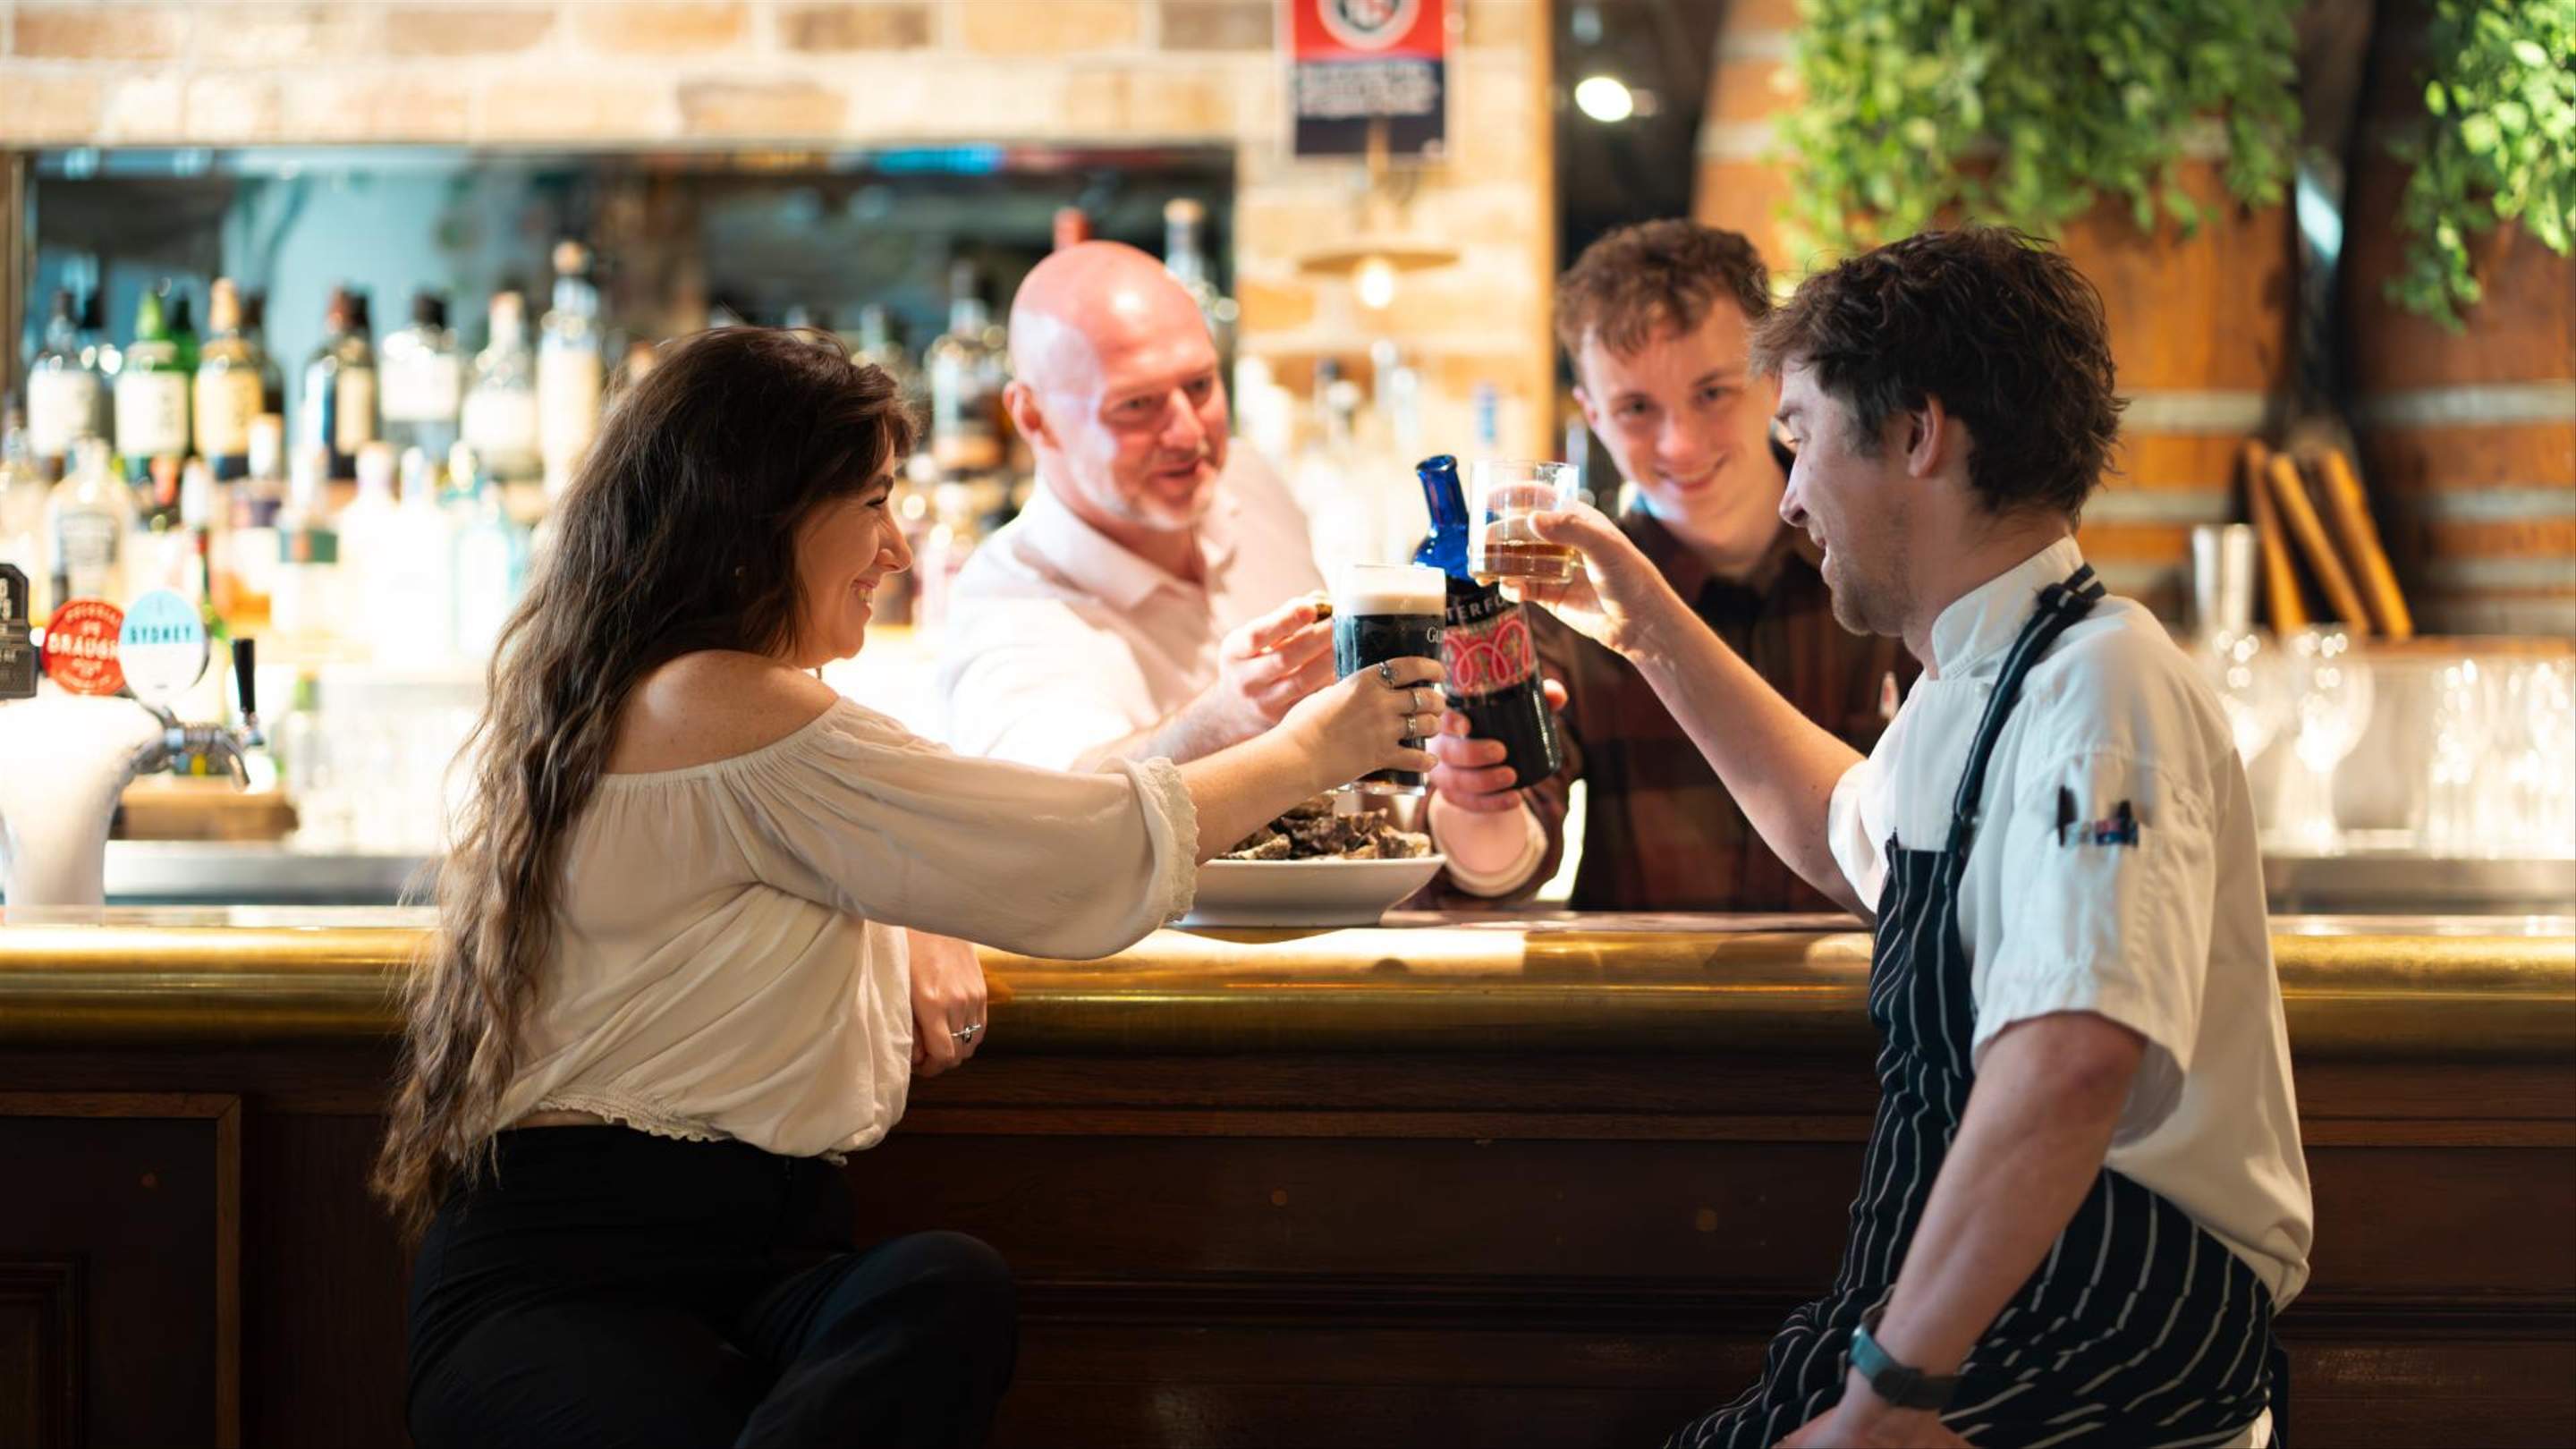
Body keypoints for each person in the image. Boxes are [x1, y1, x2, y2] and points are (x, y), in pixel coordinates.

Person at [376, 327, 1441, 1448]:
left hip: (761, 1263)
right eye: (875, 500)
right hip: (576, 1282)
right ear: (766, 512)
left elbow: (905, 851)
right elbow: (1066, 851)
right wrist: (1316, 749)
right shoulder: (714, 699)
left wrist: (914, 904)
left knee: (943, 1285)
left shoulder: (678, 699)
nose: (897, 545)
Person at [1516, 229, 2311, 1446]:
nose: (1787, 494)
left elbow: (2071, 1063)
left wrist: (1889, 1395)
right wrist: (1645, 623)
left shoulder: (2103, 689)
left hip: (2097, 1326)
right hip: (1987, 1316)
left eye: (1803, 437)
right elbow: (1846, 840)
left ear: (1917, 434)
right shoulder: (1972, 686)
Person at [1426, 219, 1916, 909]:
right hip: (1645, 1006)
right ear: (1591, 414)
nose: (1681, 445)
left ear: (1775, 380)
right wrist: (1477, 791)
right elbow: (1507, 861)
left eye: (1712, 393)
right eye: (1635, 409)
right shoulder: (1565, 594)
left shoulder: (1890, 560)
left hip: (1867, 1007)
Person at [936, 242, 1336, 771]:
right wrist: (1227, 720)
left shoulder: (1248, 478)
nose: (1188, 433)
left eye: (1198, 385)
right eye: (1136, 405)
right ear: (1032, 418)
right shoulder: (1006, 605)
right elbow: (1051, 810)